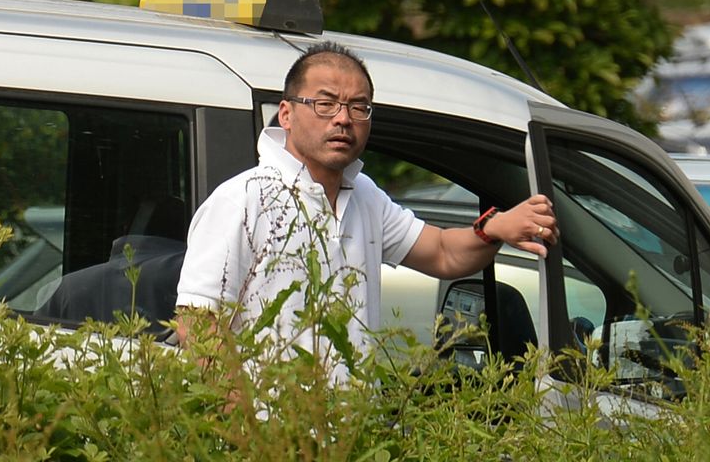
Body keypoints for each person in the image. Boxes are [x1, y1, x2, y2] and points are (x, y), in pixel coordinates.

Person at [175, 41, 557, 379]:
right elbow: (198, 325)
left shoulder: (363, 195)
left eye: (359, 107)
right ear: (287, 114)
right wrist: (248, 432)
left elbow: (440, 252)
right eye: (325, 104)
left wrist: (494, 228)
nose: (343, 118)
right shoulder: (241, 200)